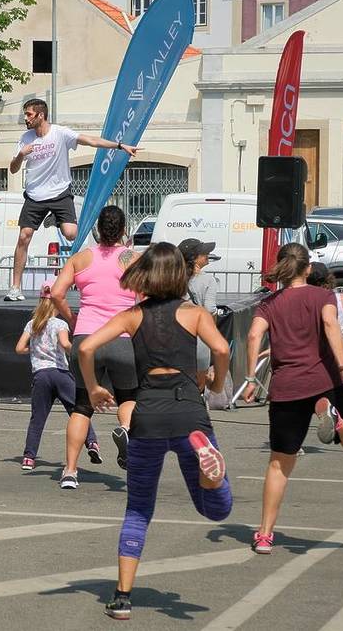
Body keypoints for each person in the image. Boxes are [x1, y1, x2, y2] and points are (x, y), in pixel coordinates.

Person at [77, 242, 232, 621]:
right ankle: (210, 473)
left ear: (145, 274)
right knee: (216, 509)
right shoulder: (194, 314)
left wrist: (95, 388)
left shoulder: (132, 316)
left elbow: (86, 349)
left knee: (138, 509)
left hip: (146, 416)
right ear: (181, 274)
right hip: (188, 413)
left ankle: (122, 597)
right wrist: (215, 384)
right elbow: (223, 349)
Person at [244, 243, 343, 556]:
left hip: (286, 386)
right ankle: (335, 419)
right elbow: (331, 324)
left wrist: (250, 379)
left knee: (279, 463)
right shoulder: (323, 296)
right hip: (325, 381)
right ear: (307, 269)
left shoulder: (270, 302)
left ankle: (264, 535)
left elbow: (252, 336)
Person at [4, 98, 139, 301]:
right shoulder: (25, 139)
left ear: (41, 115)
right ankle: (15, 288)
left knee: (71, 234)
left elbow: (91, 140)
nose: (26, 118)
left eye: (29, 114)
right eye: (25, 114)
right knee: (24, 236)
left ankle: (54, 218)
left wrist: (119, 146)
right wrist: (21, 155)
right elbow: (13, 169)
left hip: (59, 193)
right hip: (35, 195)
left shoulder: (60, 133)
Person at [50, 206, 139, 488]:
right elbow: (148, 295)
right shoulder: (132, 258)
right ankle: (125, 429)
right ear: (124, 230)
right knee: (127, 397)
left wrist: (72, 319)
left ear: (98, 229)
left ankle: (70, 471)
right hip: (122, 338)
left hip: (87, 336)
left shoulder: (81, 258)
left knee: (82, 405)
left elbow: (56, 293)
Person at [15, 280, 101, 472]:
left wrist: (36, 350)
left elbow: (19, 348)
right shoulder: (59, 323)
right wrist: (78, 350)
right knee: (78, 410)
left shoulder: (32, 324)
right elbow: (65, 343)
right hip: (61, 373)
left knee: (38, 418)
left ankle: (29, 457)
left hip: (41, 374)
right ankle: (92, 443)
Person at [178, 238, 220, 390]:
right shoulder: (209, 280)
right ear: (195, 258)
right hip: (200, 339)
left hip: (178, 338)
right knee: (198, 388)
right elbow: (210, 309)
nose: (208, 254)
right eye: (204, 253)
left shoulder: (175, 279)